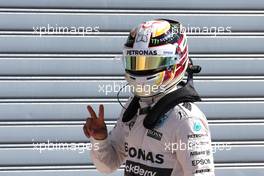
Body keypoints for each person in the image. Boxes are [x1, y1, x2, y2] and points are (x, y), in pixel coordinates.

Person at [83, 19, 215, 176]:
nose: (141, 70)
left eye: (150, 62)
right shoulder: (135, 106)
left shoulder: (186, 120)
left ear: (175, 61)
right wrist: (100, 140)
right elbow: (108, 165)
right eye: (136, 62)